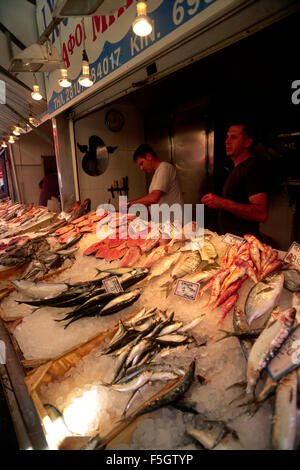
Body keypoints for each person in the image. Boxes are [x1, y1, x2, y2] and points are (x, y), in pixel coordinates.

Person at [201, 122, 269, 238]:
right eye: (227, 137)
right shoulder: (237, 168)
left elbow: (261, 213)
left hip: (244, 245)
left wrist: (221, 202)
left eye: (233, 137)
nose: (227, 141)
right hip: (232, 241)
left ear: (247, 142)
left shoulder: (252, 168)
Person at [129, 144, 184, 211]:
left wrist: (130, 204)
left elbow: (153, 198)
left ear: (149, 156)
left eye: (141, 163)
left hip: (173, 220)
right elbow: (153, 201)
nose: (141, 168)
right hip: (163, 220)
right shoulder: (157, 172)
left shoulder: (164, 167)